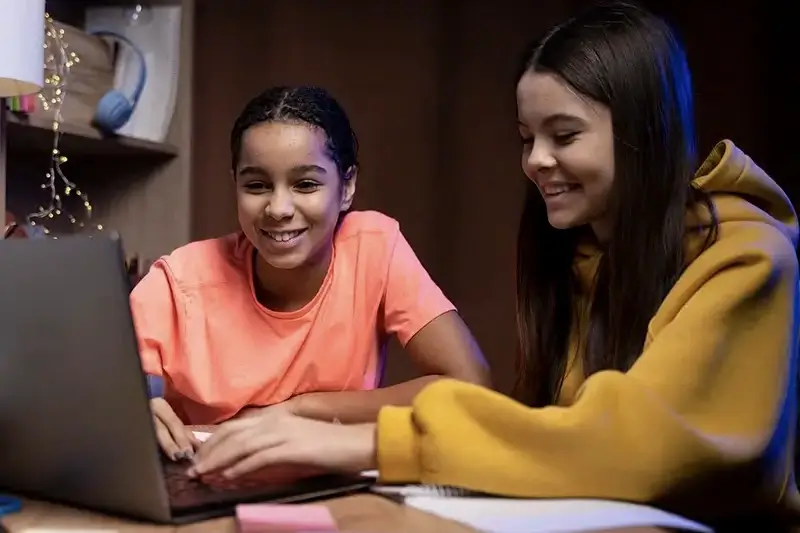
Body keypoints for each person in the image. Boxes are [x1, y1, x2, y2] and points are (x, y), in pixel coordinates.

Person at [188, 2, 800, 526]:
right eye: (526, 138)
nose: (536, 161)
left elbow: (639, 445)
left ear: (646, 131)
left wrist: (347, 440)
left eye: (563, 136)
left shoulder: (749, 257)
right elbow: (552, 436)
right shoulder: (581, 254)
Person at [131, 85, 490, 461]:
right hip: (207, 476)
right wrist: (135, 415)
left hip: (330, 477)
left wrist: (298, 411)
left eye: (305, 184)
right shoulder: (181, 279)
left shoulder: (373, 246)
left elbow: (470, 387)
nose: (279, 208)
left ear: (347, 186)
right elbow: (87, 400)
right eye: (256, 185)